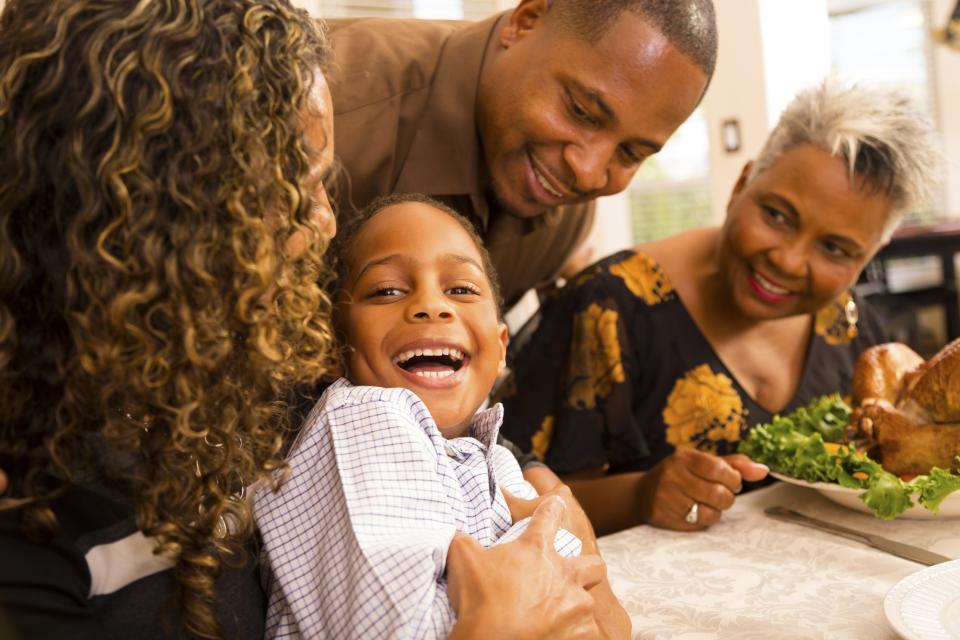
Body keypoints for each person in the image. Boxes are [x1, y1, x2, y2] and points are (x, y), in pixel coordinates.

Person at [0, 1, 610, 638]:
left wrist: (547, 500)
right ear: (155, 216)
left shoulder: (252, 386)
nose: (324, 222)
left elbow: (442, 421)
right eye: (295, 191)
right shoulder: (35, 526)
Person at [497, 80, 941, 534]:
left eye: (835, 249)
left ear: (868, 256)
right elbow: (500, 497)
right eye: (777, 215)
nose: (788, 261)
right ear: (742, 184)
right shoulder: (608, 306)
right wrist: (642, 495)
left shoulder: (847, 324)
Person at [253, 193, 630, 639]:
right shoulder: (366, 419)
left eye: (461, 289)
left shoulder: (494, 457)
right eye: (387, 290)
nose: (432, 305)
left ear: (501, 344)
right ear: (334, 347)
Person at [326, 0, 717, 309]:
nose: (587, 172)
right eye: (581, 111)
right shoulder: (328, 113)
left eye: (631, 153)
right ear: (525, 21)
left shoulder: (563, 221)